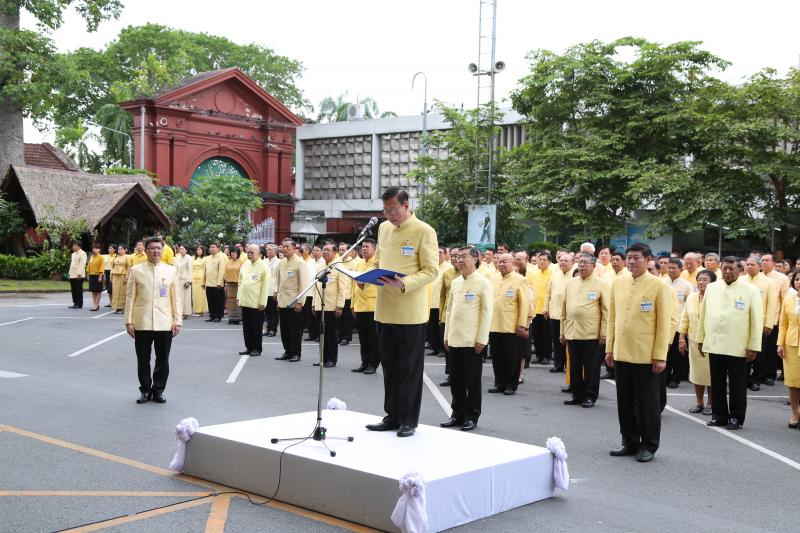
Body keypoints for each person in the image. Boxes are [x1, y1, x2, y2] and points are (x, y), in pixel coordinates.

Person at [366, 187, 438, 438]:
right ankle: (392, 416)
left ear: (407, 205)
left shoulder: (424, 231)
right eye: (385, 210)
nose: (389, 215)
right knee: (389, 367)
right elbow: (379, 262)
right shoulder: (384, 229)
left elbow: (431, 270)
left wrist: (404, 283)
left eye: (393, 210)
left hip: (410, 312)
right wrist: (366, 276)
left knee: (408, 368)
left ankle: (408, 419)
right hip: (384, 309)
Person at [605, 243, 674, 463]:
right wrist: (609, 348)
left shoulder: (659, 285)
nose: (632, 261)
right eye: (629, 257)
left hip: (646, 354)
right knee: (624, 402)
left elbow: (664, 323)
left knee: (647, 403)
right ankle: (630, 441)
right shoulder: (618, 283)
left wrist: (660, 355)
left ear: (648, 260)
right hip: (622, 351)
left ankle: (649, 444)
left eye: (637, 258)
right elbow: (612, 319)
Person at [698, 256, 763, 430]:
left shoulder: (751, 290)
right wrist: (701, 339)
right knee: (716, 382)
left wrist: (753, 346)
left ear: (739, 271)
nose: (727, 272)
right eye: (725, 268)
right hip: (715, 342)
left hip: (738, 345)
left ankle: (736, 417)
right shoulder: (712, 288)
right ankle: (719, 416)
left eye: (731, 269)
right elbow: (704, 316)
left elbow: (757, 321)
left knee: (737, 384)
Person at [125, 236, 181, 404]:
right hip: (142, 322)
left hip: (165, 322)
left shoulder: (171, 271)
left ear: (162, 250)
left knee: (163, 360)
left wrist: (177, 320)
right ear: (146, 250)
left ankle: (158, 390)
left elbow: (176, 298)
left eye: (158, 248)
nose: (156, 251)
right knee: (143, 360)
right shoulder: (136, 271)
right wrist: (128, 321)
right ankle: (145, 390)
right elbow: (130, 298)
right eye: (152, 248)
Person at [441, 247, 492, 431]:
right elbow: (449, 311)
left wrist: (482, 339)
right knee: (456, 381)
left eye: (464, 257)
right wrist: (447, 335)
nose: (460, 260)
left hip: (472, 341)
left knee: (472, 382)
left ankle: (472, 416)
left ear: (475, 259)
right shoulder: (455, 282)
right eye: (457, 257)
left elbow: (487, 312)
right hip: (455, 339)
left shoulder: (483, 282)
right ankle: (457, 414)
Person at [560, 253, 609, 407]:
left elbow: (606, 311)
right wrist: (562, 332)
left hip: (591, 334)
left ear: (593, 266)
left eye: (585, 263)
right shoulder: (571, 283)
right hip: (572, 331)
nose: (581, 266)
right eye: (580, 263)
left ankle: (590, 395)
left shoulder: (601, 284)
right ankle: (577, 394)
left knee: (591, 368)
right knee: (574, 367)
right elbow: (564, 309)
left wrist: (604, 333)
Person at [488, 253, 529, 395]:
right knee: (497, 357)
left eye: (504, 262)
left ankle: (511, 385)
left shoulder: (520, 280)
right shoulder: (493, 278)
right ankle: (499, 383)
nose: (501, 264)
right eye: (499, 262)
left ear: (513, 264)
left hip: (511, 326)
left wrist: (522, 324)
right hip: (494, 324)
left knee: (512, 358)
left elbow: (524, 304)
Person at [679, 269, 716, 415]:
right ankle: (699, 402)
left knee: (711, 374)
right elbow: (685, 319)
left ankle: (711, 403)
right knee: (696, 373)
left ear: (712, 283)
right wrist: (682, 338)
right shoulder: (692, 297)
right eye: (699, 279)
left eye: (705, 280)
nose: (701, 282)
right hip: (693, 341)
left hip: (711, 342)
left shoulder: (716, 298)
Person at [741, 255, 778, 391]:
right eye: (747, 264)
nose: (749, 267)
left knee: (759, 353)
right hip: (742, 323)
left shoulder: (768, 282)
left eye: (752, 264)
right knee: (742, 352)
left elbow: (772, 305)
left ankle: (755, 380)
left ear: (759, 266)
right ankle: (743, 378)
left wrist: (768, 324)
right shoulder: (740, 280)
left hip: (760, 324)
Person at [312, 242, 347, 367]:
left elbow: (343, 288)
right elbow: (315, 286)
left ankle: (331, 359)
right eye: (324, 250)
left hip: (332, 306)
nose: (325, 252)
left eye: (328, 250)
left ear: (334, 252)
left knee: (331, 334)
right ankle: (323, 358)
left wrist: (340, 306)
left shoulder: (338, 266)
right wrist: (313, 304)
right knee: (321, 334)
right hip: (319, 305)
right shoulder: (320, 265)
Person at [275, 238, 309, 362]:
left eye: (287, 246)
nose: (284, 249)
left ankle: (296, 353)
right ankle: (287, 351)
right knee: (284, 329)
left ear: (294, 248)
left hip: (294, 302)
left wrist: (300, 302)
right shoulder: (281, 262)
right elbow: (279, 282)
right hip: (283, 301)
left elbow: (303, 285)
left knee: (295, 329)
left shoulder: (300, 262)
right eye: (283, 246)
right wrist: (278, 299)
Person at [352, 238, 380, 374]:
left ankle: (373, 364)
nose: (363, 249)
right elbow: (354, 285)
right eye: (362, 247)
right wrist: (353, 304)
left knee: (373, 337)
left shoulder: (377, 263)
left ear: (374, 249)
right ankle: (364, 362)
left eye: (367, 247)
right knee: (363, 338)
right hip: (359, 305)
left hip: (372, 306)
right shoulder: (359, 263)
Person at [664, 258, 694, 388]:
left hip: (678, 325)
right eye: (669, 268)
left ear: (681, 269)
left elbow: (689, 305)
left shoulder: (687, 285)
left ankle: (675, 378)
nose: (671, 270)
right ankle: (665, 376)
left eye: (674, 268)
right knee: (664, 352)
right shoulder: (661, 282)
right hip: (664, 324)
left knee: (676, 354)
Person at [237, 244, 271, 357]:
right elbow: (240, 282)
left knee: (256, 327)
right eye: (248, 252)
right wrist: (238, 297)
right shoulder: (245, 264)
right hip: (245, 301)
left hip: (256, 303)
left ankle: (257, 348)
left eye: (252, 253)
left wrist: (262, 302)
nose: (249, 254)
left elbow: (266, 286)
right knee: (246, 327)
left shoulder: (263, 266)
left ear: (259, 254)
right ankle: (249, 347)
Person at [762, 253, 790, 386]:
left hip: (774, 319)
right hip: (758, 320)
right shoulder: (758, 276)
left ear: (774, 263)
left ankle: (770, 375)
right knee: (759, 350)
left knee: (770, 350)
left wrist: (782, 319)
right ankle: (758, 375)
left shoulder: (782, 278)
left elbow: (784, 300)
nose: (764, 262)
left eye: (767, 260)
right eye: (762, 260)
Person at [777, 270, 800, 428]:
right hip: (791, 345)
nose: (799, 282)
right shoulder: (789, 298)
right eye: (797, 279)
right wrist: (780, 343)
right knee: (793, 383)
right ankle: (795, 412)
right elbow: (783, 323)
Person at [544, 252, 574, 373]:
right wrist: (546, 308)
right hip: (555, 313)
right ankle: (558, 364)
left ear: (572, 262)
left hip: (568, 314)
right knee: (556, 341)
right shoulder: (555, 274)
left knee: (568, 341)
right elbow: (548, 293)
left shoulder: (575, 275)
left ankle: (569, 364)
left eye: (566, 261)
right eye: (561, 260)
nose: (563, 262)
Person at [438, 248, 462, 387]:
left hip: (462, 317)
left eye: (457, 256)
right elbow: (442, 296)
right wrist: (441, 315)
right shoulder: (447, 274)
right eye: (452, 256)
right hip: (447, 316)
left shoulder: (467, 274)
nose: (454, 258)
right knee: (448, 347)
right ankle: (450, 374)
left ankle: (461, 374)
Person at [426, 246, 450, 356]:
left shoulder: (448, 268)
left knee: (441, 327)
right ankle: (434, 347)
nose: (438, 255)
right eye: (436, 253)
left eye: (440, 253)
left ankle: (442, 349)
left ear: (445, 255)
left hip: (441, 303)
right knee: (432, 327)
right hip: (430, 302)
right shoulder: (432, 267)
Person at [531, 251, 554, 365]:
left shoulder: (553, 274)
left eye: (544, 260)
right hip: (535, 309)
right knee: (536, 334)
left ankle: (547, 356)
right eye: (540, 260)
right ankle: (538, 355)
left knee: (546, 335)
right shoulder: (535, 274)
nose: (541, 262)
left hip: (546, 309)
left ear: (549, 261)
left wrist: (549, 308)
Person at [337, 242, 358, 345]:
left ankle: (346, 337)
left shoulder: (354, 263)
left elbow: (355, 281)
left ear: (349, 251)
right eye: (340, 250)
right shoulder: (337, 262)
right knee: (339, 318)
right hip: (339, 295)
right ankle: (340, 336)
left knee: (347, 318)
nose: (341, 252)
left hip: (349, 295)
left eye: (343, 250)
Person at [204, 243, 227, 323]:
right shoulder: (207, 258)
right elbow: (205, 270)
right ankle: (212, 315)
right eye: (210, 247)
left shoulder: (221, 257)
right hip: (208, 283)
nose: (211, 248)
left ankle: (218, 316)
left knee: (218, 301)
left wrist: (219, 282)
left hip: (217, 283)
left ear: (218, 248)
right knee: (210, 300)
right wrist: (203, 282)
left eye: (213, 247)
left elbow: (222, 271)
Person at [264, 244, 280, 336]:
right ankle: (268, 327)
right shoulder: (264, 261)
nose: (268, 251)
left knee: (274, 311)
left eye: (270, 250)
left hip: (273, 289)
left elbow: (279, 278)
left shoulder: (279, 262)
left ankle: (273, 329)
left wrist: (276, 290)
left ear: (275, 252)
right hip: (265, 290)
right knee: (267, 311)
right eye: (267, 250)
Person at [224, 247, 243, 324]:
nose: (233, 254)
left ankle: (238, 318)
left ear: (238, 253)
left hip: (238, 284)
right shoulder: (228, 262)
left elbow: (242, 274)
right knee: (230, 301)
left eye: (235, 252)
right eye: (232, 252)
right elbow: (225, 273)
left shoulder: (241, 262)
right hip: (229, 284)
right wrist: (225, 284)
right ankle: (231, 318)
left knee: (237, 301)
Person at [174, 245, 193, 319]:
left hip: (185, 280)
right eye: (180, 249)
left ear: (186, 250)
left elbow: (190, 270)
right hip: (178, 279)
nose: (181, 250)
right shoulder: (177, 258)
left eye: (183, 249)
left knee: (185, 298)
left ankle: (185, 313)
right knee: (179, 297)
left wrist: (189, 281)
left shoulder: (189, 258)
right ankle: (179, 312)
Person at [67, 240, 87, 309]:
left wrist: (79, 274)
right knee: (73, 289)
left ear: (79, 246)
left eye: (74, 246)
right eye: (73, 246)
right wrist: (70, 273)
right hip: (72, 274)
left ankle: (79, 304)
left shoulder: (83, 253)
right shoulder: (73, 254)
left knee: (78, 290)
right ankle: (75, 303)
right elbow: (72, 264)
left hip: (79, 275)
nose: (73, 247)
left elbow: (82, 264)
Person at [110, 244, 129, 314]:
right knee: (115, 292)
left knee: (122, 292)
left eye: (121, 249)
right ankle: (117, 307)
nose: (120, 250)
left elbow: (129, 268)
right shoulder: (116, 257)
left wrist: (126, 278)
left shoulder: (127, 257)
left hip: (122, 275)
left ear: (125, 250)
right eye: (119, 249)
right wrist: (111, 277)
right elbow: (112, 267)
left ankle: (122, 307)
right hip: (115, 275)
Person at [86, 243, 104, 311]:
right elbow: (89, 266)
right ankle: (94, 304)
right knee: (93, 291)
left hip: (98, 275)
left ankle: (96, 305)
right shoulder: (91, 257)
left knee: (98, 291)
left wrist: (100, 276)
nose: (95, 250)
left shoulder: (101, 257)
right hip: (92, 275)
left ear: (99, 250)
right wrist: (88, 274)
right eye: (93, 248)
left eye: (96, 249)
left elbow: (102, 267)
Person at [191, 246, 208, 317]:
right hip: (194, 277)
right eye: (197, 250)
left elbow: (206, 269)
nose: (198, 251)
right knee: (195, 295)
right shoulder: (193, 258)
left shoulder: (205, 259)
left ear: (203, 251)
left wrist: (205, 279)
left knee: (201, 295)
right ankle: (196, 310)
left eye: (200, 250)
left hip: (201, 277)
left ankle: (201, 311)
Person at [102, 244, 116, 308]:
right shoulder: (106, 256)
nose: (109, 249)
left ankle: (114, 302)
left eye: (111, 248)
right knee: (108, 289)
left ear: (114, 250)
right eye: (109, 248)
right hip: (106, 271)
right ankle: (110, 302)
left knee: (112, 288)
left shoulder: (116, 256)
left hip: (112, 272)